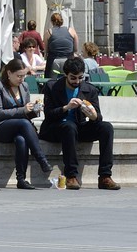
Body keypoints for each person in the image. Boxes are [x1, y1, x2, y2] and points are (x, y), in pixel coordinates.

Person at [39, 56, 118, 190]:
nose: (77, 81)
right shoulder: (52, 87)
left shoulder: (89, 90)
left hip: (78, 127)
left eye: (80, 78)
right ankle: (71, 176)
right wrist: (66, 108)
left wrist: (93, 116)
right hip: (56, 128)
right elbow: (49, 114)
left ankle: (105, 176)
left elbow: (98, 116)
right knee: (69, 127)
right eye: (73, 78)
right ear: (65, 75)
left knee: (106, 127)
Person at [0, 57, 54, 189]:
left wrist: (35, 110)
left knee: (21, 139)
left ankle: (21, 179)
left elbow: (26, 115)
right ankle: (41, 158)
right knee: (23, 123)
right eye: (19, 76)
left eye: (24, 76)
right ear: (9, 73)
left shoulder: (24, 86)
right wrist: (23, 110)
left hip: (19, 127)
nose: (22, 79)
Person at [43, 11, 79, 78]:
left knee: (52, 82)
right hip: (68, 60)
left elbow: (46, 50)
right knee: (68, 80)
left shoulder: (48, 32)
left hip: (54, 60)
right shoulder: (71, 30)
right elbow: (76, 49)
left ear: (51, 22)